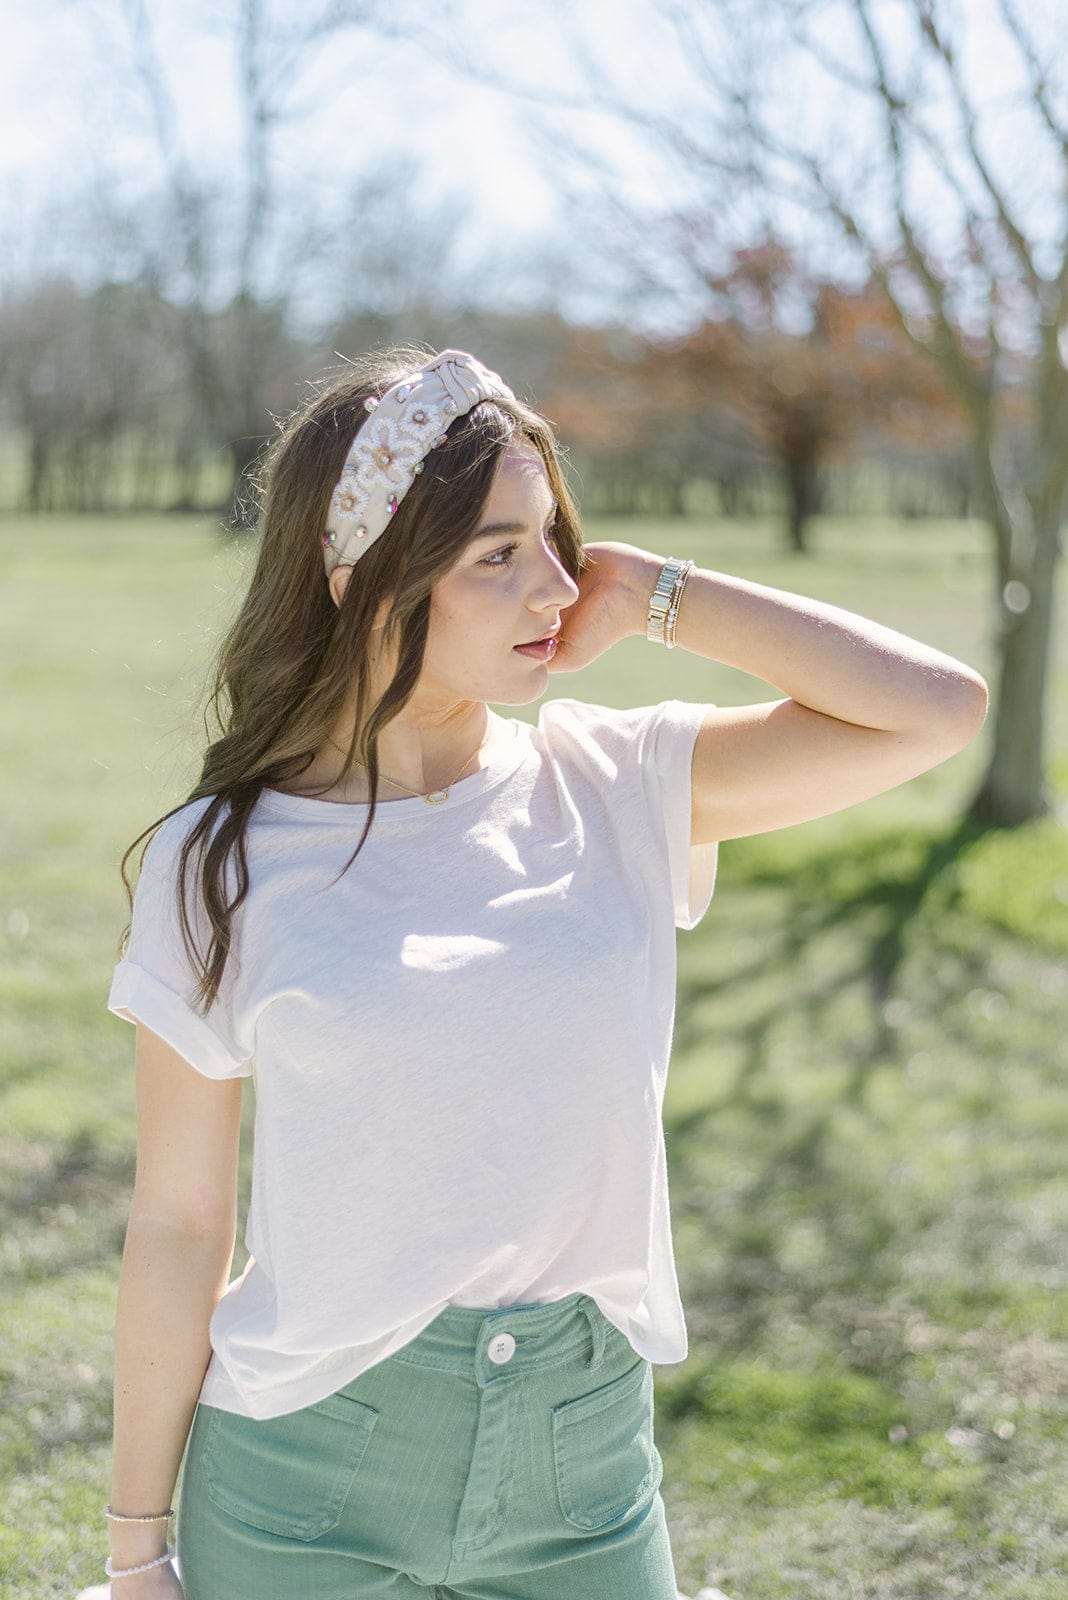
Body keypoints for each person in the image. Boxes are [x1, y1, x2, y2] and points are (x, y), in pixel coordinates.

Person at [103, 345, 988, 1599]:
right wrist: (136, 1547)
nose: (557, 588)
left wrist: (661, 593)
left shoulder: (617, 784)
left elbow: (935, 712)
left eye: (555, 539)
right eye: (496, 555)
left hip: (580, 1466)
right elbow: (181, 1220)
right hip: (305, 1471)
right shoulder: (224, 859)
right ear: (362, 584)